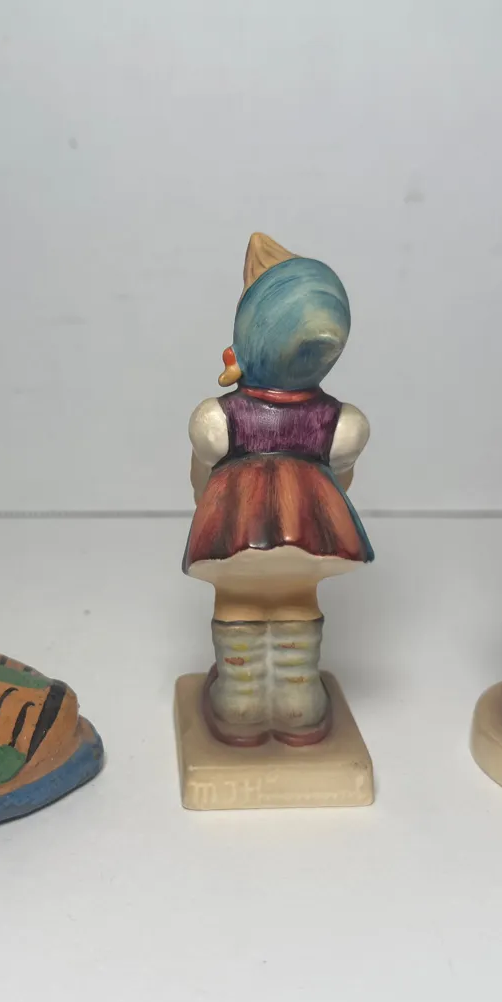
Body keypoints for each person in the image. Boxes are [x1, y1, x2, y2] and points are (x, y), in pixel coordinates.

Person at [183, 233, 373, 746]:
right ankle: (297, 698)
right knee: (295, 600)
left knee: (239, 601)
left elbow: (202, 476)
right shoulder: (341, 423)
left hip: (235, 530)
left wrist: (212, 507)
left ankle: (240, 701)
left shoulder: (217, 419)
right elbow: (342, 478)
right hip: (311, 531)